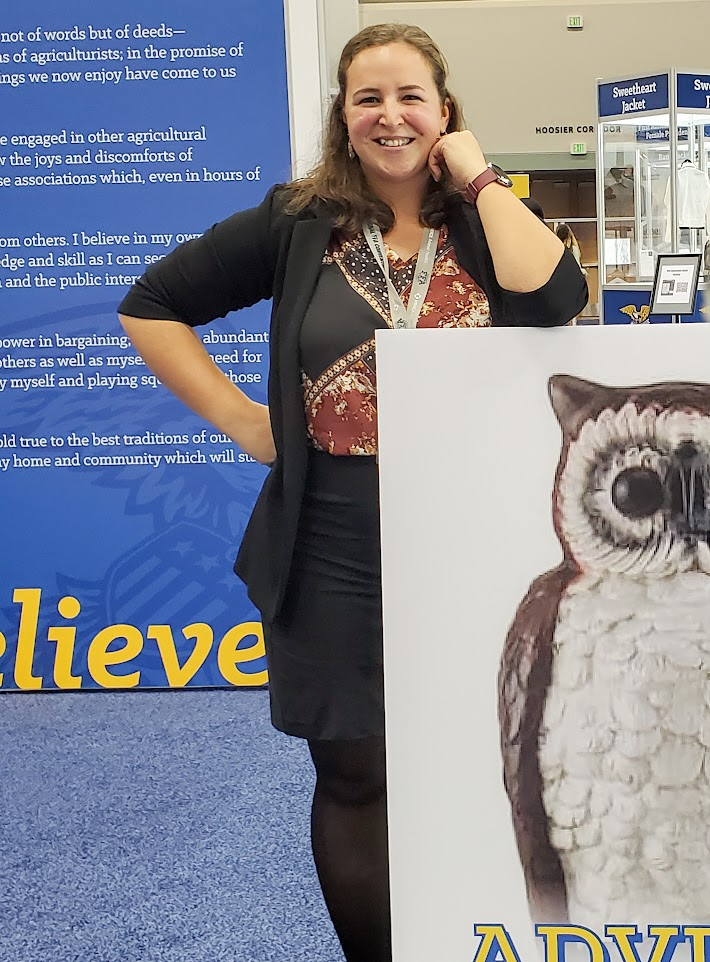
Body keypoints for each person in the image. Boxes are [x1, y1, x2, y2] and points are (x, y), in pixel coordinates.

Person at [115, 23, 587, 962]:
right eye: (367, 97)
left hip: (472, 534)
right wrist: (250, 423)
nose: (390, 115)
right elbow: (151, 303)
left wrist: (481, 178)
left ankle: (471, 938)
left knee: (482, 759)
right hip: (332, 534)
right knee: (355, 770)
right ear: (343, 114)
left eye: (410, 96)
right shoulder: (299, 223)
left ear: (444, 110)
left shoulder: (479, 223)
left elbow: (556, 297)